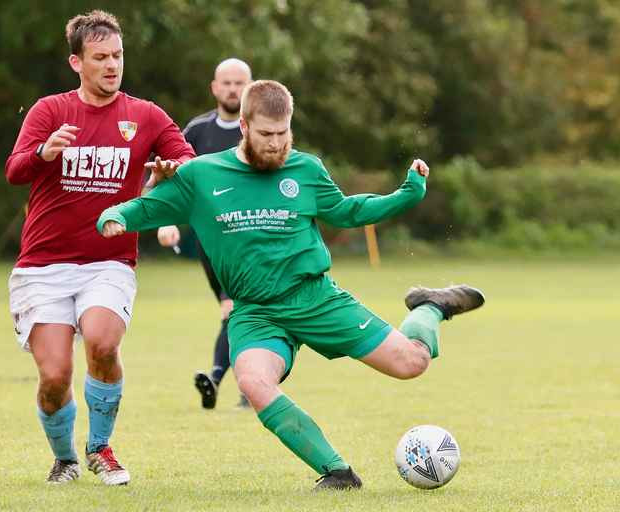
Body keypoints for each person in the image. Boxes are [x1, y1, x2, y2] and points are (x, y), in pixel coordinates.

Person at [97, 80, 484, 490]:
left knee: (412, 364)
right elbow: (147, 206)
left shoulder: (305, 168)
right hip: (256, 312)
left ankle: (430, 306)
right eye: (266, 134)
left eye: (283, 134)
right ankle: (337, 473)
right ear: (243, 126)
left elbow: (348, 211)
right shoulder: (202, 175)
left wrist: (408, 192)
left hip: (315, 298)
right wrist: (115, 217)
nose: (276, 143)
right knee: (252, 381)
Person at [4, 10, 194, 485]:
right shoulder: (50, 111)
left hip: (108, 262)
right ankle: (65, 458)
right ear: (76, 62)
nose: (112, 65)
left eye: (118, 56)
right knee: (54, 378)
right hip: (43, 266)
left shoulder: (146, 115)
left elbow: (189, 166)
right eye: (100, 57)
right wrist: (44, 153)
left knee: (103, 343)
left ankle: (100, 447)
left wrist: (166, 177)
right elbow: (14, 170)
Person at [156, 58, 252, 410]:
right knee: (237, 310)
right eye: (226, 83)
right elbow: (175, 182)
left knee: (238, 308)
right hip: (211, 244)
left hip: (252, 238)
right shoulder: (195, 132)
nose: (232, 89)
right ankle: (244, 382)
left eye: (239, 83)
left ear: (251, 86)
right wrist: (168, 222)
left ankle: (221, 378)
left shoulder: (258, 130)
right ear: (214, 87)